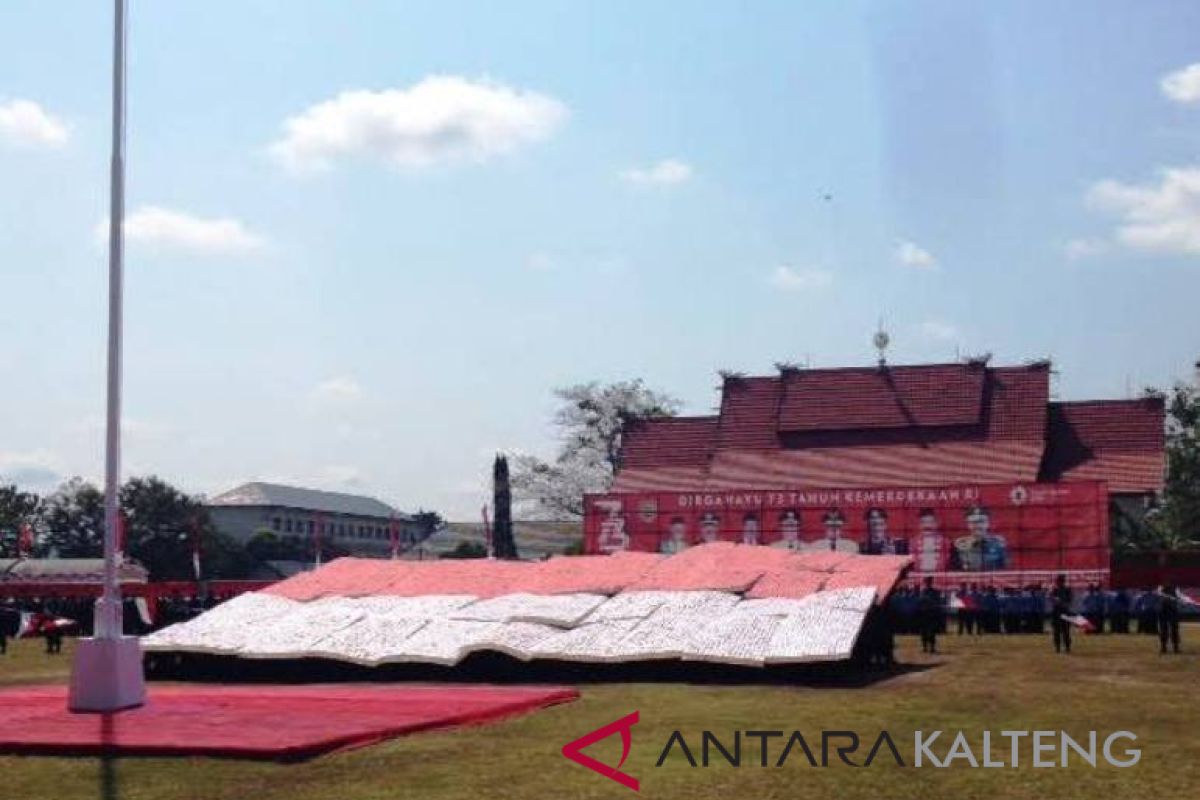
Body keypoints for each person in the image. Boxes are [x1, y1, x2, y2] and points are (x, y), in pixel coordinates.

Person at [951, 506, 1008, 571]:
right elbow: (954, 571)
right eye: (974, 522)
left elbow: (1004, 570)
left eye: (981, 522)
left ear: (988, 523)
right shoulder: (960, 546)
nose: (978, 526)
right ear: (968, 524)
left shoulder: (998, 544)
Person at [917, 577, 942, 654]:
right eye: (926, 582)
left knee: (931, 632)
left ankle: (932, 648)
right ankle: (925, 647)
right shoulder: (922, 591)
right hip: (923, 613)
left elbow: (937, 602)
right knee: (923, 631)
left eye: (928, 582)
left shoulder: (934, 592)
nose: (927, 583)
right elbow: (920, 601)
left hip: (931, 613)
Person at [1050, 573, 1073, 654]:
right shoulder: (1054, 589)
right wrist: (1055, 600)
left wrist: (1062, 603)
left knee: (1066, 630)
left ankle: (1067, 647)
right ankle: (1058, 647)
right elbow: (1051, 598)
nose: (1059, 582)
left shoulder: (1067, 589)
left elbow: (1070, 600)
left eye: (1060, 580)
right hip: (1056, 611)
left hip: (1065, 611)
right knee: (1056, 631)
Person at [1157, 583, 1182, 655]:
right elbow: (1159, 593)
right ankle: (1164, 647)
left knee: (1174, 628)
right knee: (1164, 629)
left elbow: (1179, 595)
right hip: (1164, 610)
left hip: (1171, 609)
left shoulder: (1175, 587)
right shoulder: (1161, 586)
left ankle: (1175, 647)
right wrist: (1170, 597)